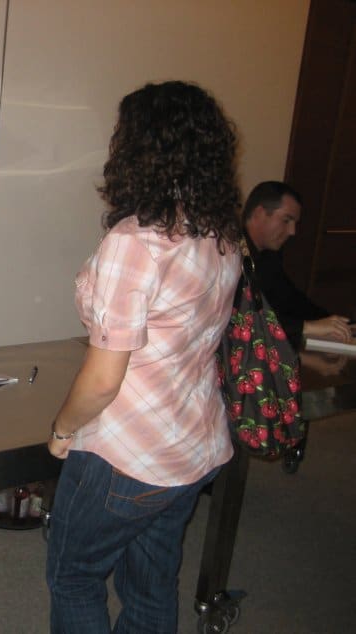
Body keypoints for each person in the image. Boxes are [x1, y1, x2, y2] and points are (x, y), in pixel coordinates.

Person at [45, 81, 243, 633]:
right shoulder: (221, 235)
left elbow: (104, 379)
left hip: (126, 451)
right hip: (192, 445)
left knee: (75, 576)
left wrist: (62, 429)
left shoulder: (138, 241)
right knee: (152, 585)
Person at [242, 181, 352, 349]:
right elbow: (246, 318)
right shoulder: (230, 254)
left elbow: (290, 299)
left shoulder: (269, 255)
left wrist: (336, 323)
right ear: (259, 213)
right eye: (287, 220)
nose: (292, 231)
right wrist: (308, 327)